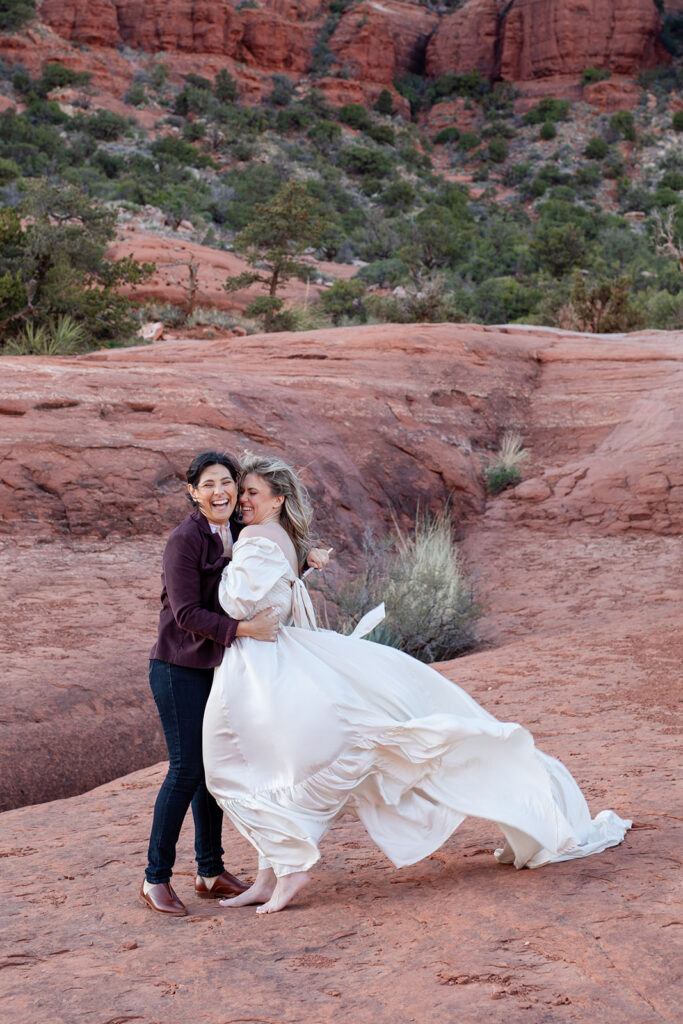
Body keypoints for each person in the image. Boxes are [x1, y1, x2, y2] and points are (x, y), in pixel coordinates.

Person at [203, 453, 631, 915]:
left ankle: (289, 871)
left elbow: (236, 600)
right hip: (273, 659)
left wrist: (223, 565)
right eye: (240, 491)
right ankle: (272, 876)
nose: (241, 499)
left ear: (277, 499)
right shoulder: (280, 536)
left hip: (264, 666)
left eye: (251, 492)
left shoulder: (255, 538)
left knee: (234, 767)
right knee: (270, 770)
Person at [141, 450, 329, 916]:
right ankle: (154, 878)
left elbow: (259, 575)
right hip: (178, 666)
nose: (222, 492)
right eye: (209, 484)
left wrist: (305, 561)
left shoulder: (241, 530)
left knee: (214, 771)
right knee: (186, 770)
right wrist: (244, 631)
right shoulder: (184, 541)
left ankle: (209, 871)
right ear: (193, 492)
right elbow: (185, 614)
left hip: (218, 668)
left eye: (228, 482)